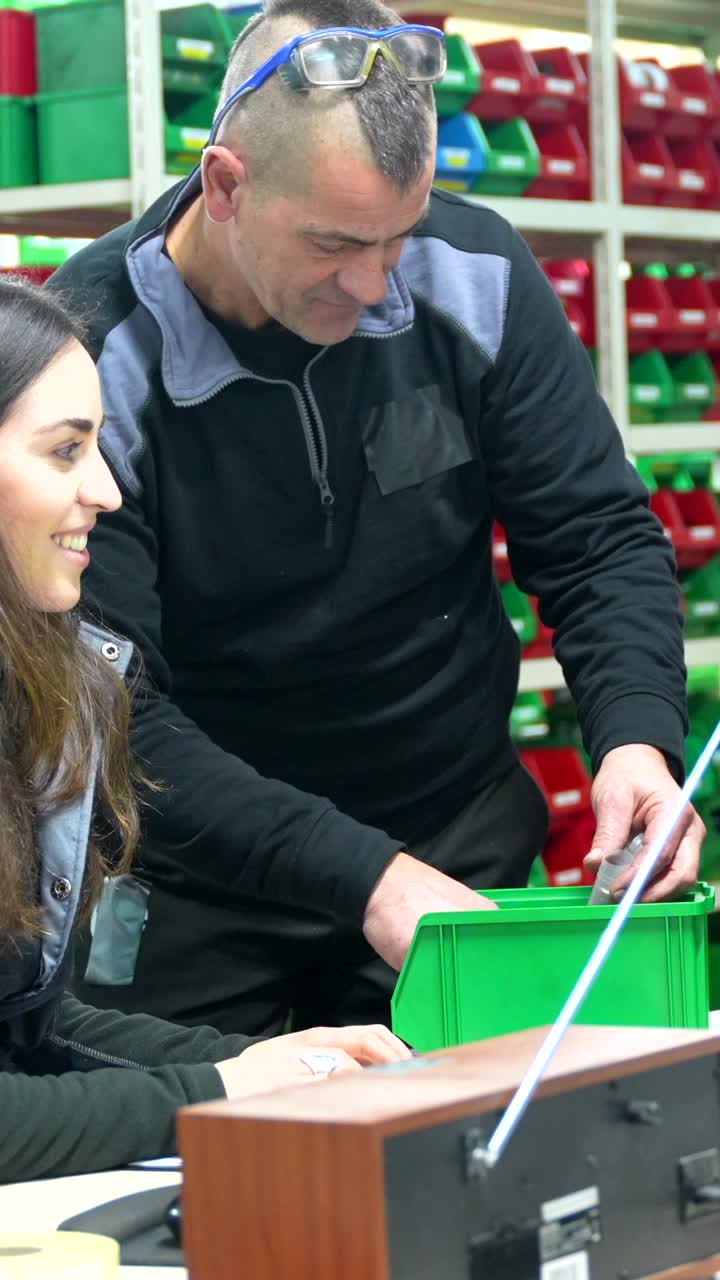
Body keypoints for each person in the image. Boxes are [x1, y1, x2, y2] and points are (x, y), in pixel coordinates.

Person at [50, 0, 703, 1039]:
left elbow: (597, 537)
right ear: (226, 185)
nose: (374, 283)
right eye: (337, 243)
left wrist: (636, 740)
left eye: (401, 234)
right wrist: (369, 875)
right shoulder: (91, 356)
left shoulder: (475, 276)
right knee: (222, 1185)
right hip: (201, 882)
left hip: (453, 837)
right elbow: (116, 713)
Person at [0, 274, 411, 1185]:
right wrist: (222, 1085)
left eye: (98, 448)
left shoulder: (44, 688)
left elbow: (25, 1019)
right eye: (65, 451)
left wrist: (284, 1070)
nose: (105, 490)